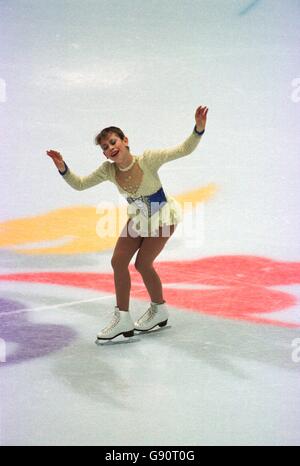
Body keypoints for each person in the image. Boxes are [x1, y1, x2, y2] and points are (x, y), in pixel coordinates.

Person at [46, 105, 208, 341]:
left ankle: (159, 308)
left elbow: (183, 149)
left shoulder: (148, 159)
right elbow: (80, 184)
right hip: (140, 217)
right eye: (105, 147)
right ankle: (123, 318)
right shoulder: (108, 171)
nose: (110, 148)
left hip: (162, 216)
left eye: (113, 142)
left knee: (143, 264)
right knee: (118, 261)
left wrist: (198, 129)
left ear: (125, 140)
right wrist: (63, 168)